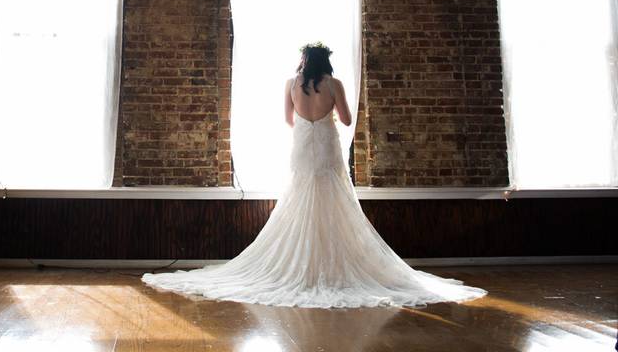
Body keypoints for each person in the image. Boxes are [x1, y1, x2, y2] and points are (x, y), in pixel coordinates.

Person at [141, 42, 487, 308]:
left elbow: (289, 121)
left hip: (303, 147)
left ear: (304, 61)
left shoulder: (291, 83)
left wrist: (309, 119)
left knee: (300, 200)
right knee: (335, 205)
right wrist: (329, 114)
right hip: (326, 146)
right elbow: (348, 121)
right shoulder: (333, 84)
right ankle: (332, 266)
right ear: (327, 62)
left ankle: (303, 266)